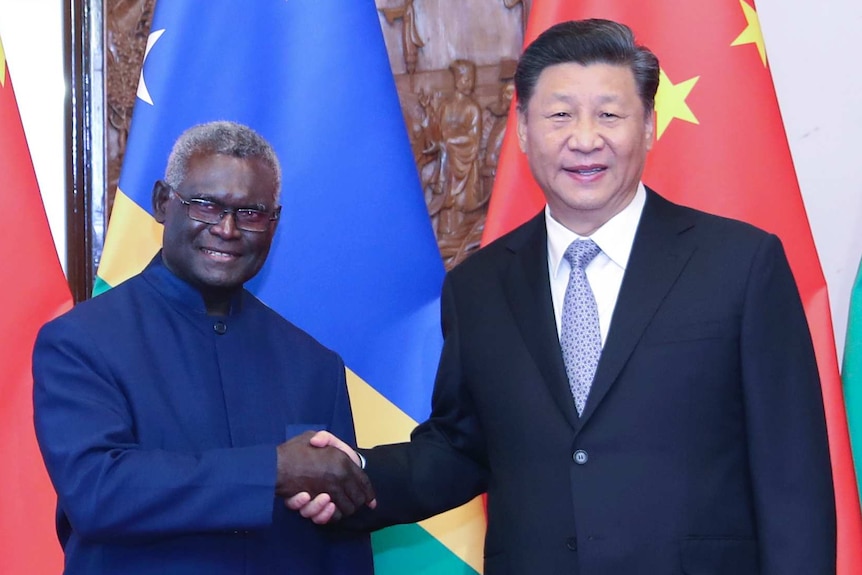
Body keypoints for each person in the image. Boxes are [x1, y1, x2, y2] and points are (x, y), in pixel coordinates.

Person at [291, 19, 837, 574]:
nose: (584, 138)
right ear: (523, 130)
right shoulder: (478, 287)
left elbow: (793, 477)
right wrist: (351, 475)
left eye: (609, 113)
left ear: (648, 126)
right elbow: (459, 449)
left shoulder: (740, 264)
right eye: (559, 115)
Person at [32, 121, 376, 574]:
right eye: (206, 206)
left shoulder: (316, 364)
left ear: (275, 223)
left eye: (251, 213)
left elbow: (342, 540)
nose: (228, 229)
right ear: (161, 203)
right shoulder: (81, 341)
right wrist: (274, 470)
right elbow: (99, 492)